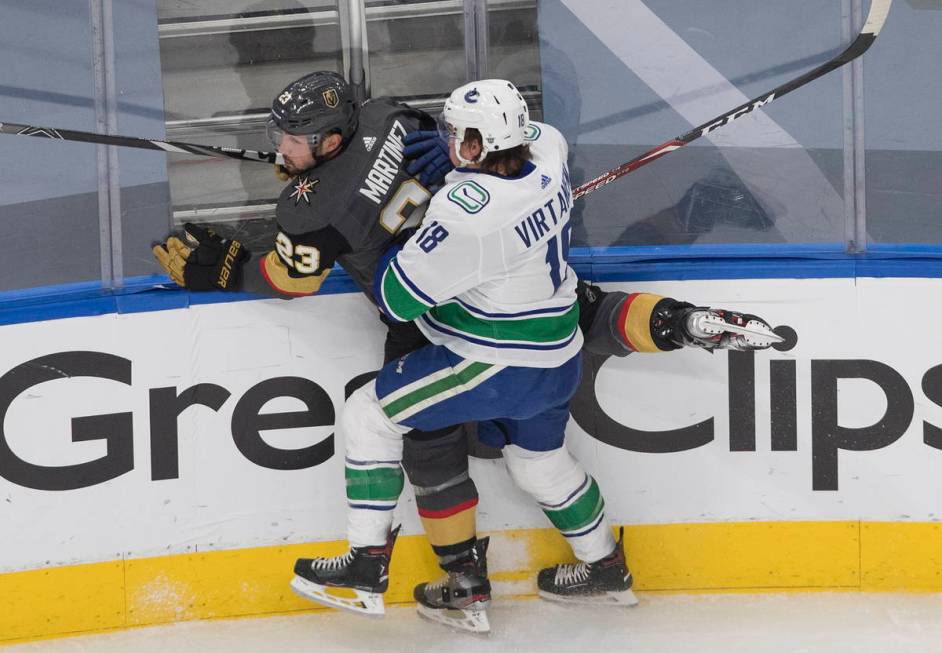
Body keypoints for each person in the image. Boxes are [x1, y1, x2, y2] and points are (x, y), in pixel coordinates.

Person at [152, 71, 781, 632]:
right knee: (547, 442)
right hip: (548, 327)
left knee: (385, 422)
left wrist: (248, 264)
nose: (283, 147)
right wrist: (429, 172)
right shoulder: (535, 147)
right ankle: (604, 566)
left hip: (479, 341)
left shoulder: (455, 213)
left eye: (295, 138)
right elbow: (461, 147)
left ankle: (393, 571)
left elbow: (386, 294)